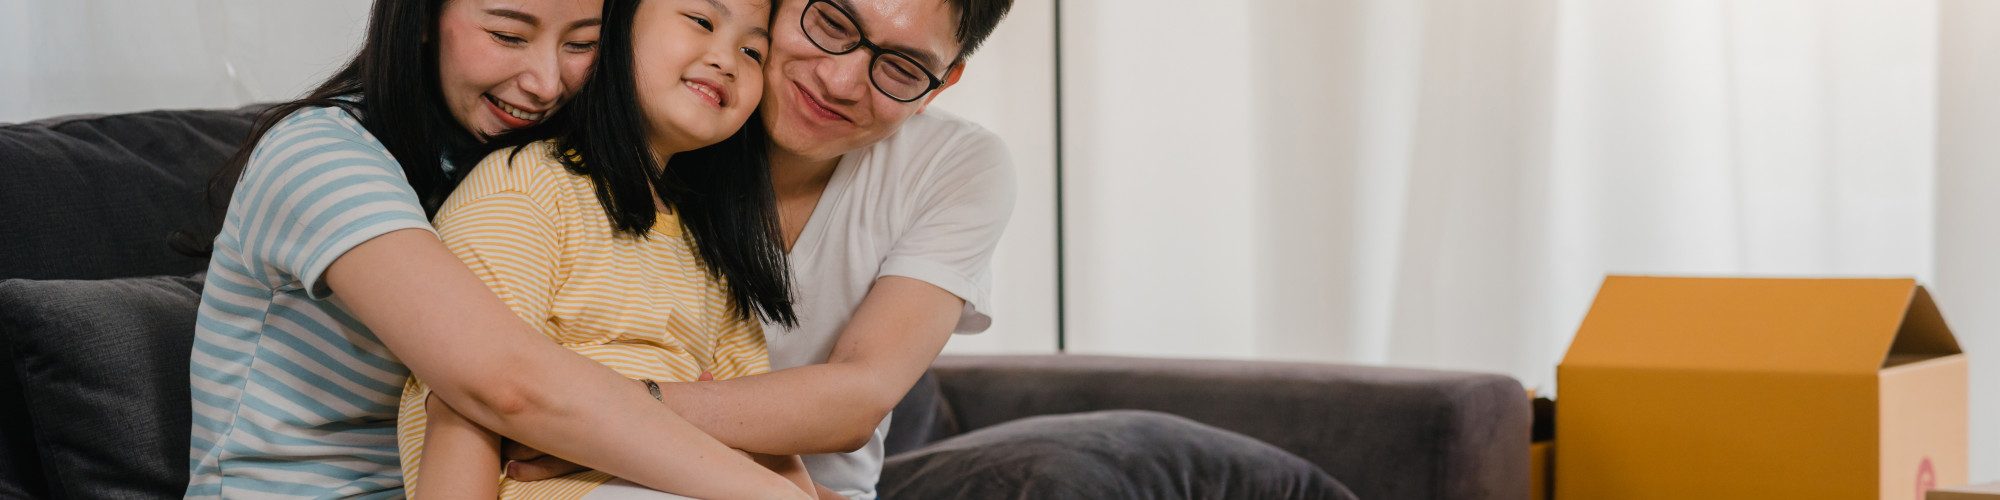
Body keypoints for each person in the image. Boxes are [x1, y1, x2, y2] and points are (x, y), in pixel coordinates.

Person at [184, 0, 793, 497]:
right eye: (507, 35)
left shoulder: (525, 166)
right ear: (422, 19)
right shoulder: (319, 156)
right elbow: (502, 384)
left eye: (581, 44)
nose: (545, 82)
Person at [502, 0, 1018, 497]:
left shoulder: (957, 164)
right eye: (833, 23)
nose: (840, 83)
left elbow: (859, 397)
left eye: (903, 69)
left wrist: (607, 417)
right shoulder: (672, 118)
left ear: (941, 85)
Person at [394, 0, 813, 497]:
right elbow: (464, 404)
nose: (727, 60)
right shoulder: (527, 187)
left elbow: (758, 433)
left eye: (752, 51)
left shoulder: (711, 249)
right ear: (614, 30)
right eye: (701, 22)